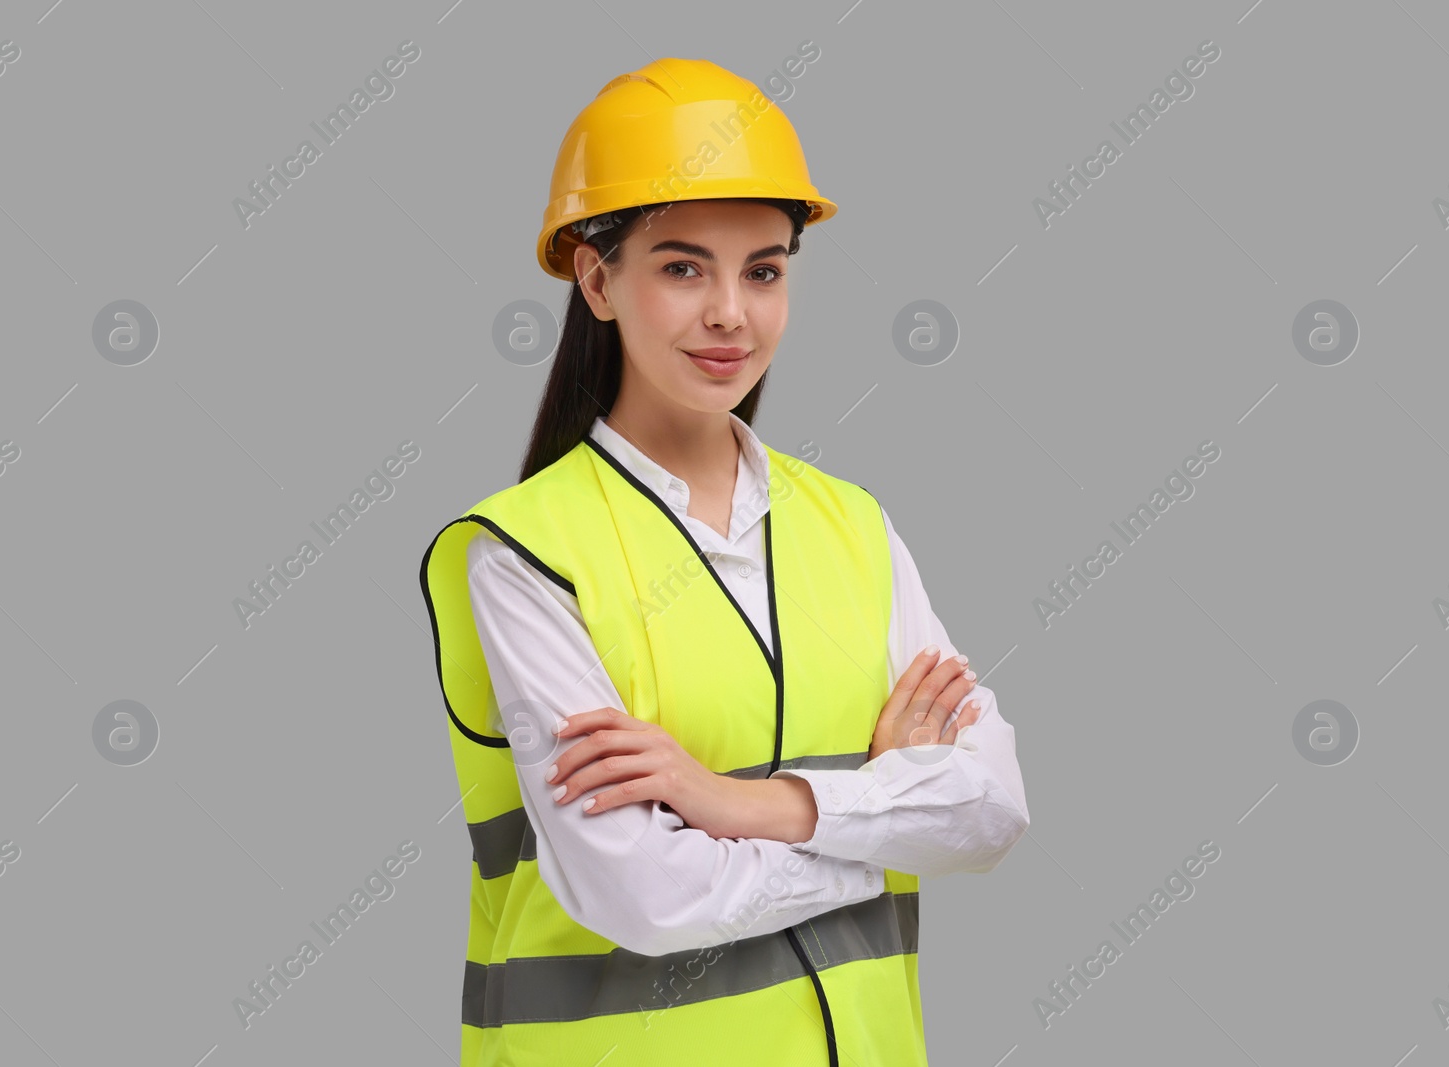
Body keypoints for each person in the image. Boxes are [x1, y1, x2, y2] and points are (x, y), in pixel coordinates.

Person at [419, 57, 1030, 1066]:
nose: (730, 314)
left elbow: (991, 808)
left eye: (764, 268)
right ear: (595, 276)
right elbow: (645, 893)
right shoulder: (524, 554)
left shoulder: (853, 525)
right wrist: (877, 826)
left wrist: (738, 801)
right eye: (681, 266)